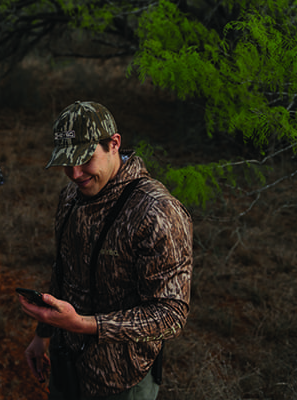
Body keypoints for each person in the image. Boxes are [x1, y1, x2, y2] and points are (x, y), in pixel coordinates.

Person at [19, 101, 193, 399]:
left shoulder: (156, 212)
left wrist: (85, 325)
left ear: (114, 144)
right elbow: (63, 271)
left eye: (85, 159)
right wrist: (43, 334)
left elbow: (171, 315)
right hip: (66, 363)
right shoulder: (71, 197)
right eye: (66, 162)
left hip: (121, 379)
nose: (74, 173)